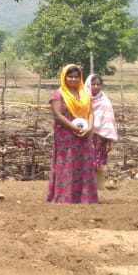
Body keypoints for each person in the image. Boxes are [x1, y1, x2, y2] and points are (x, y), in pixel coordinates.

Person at [47, 64, 98, 204]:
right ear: (64, 77)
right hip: (66, 136)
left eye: (77, 76)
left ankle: (85, 198)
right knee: (66, 164)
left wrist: (89, 128)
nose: (73, 79)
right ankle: (64, 197)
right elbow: (57, 116)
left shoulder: (84, 95)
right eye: (70, 76)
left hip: (84, 136)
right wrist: (75, 129)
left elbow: (90, 113)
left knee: (84, 164)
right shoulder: (58, 94)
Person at [85, 73, 119, 193]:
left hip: (100, 137)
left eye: (98, 84)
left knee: (99, 161)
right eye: (93, 84)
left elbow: (108, 121)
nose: (95, 86)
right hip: (85, 134)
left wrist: (108, 140)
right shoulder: (83, 99)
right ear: (88, 84)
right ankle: (85, 188)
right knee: (85, 161)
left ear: (102, 86)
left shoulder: (104, 101)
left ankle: (99, 189)